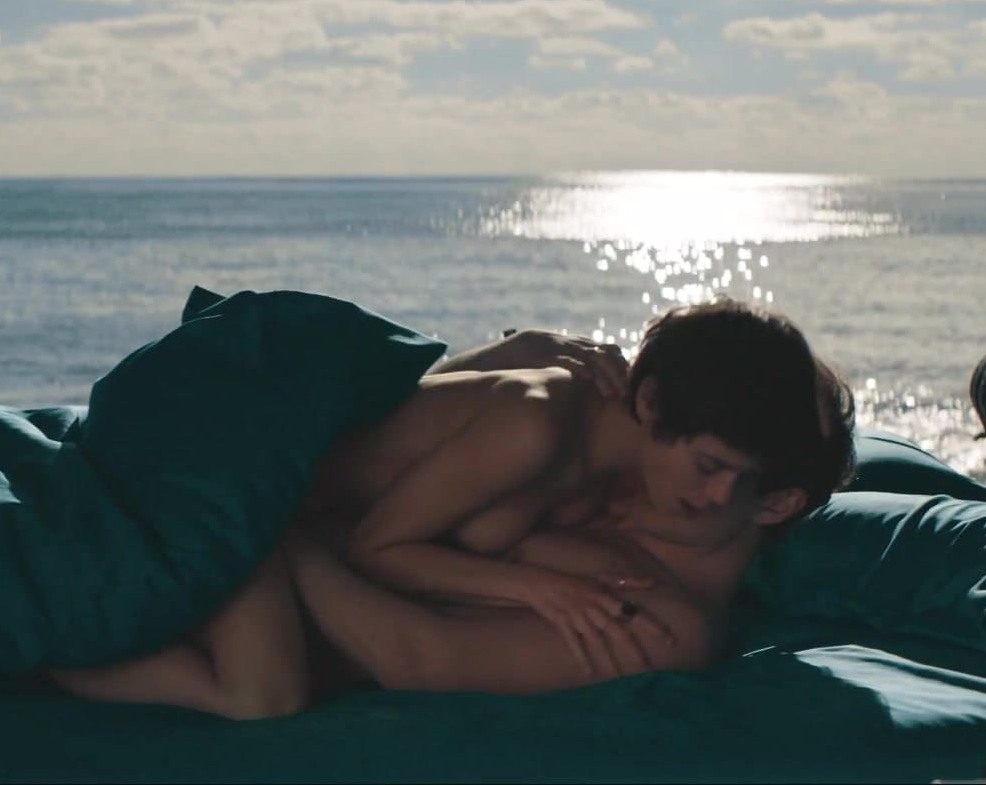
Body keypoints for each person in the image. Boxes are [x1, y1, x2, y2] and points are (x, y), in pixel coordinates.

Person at [51, 298, 856, 718]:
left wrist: (296, 540)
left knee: (263, 693)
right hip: (241, 483)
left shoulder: (658, 615)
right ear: (650, 409)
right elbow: (419, 451)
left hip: (276, 525)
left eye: (723, 474)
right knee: (264, 692)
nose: (696, 488)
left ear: (773, 503)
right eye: (704, 464)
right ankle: (40, 643)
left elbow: (419, 651)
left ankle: (41, 652)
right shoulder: (584, 457)